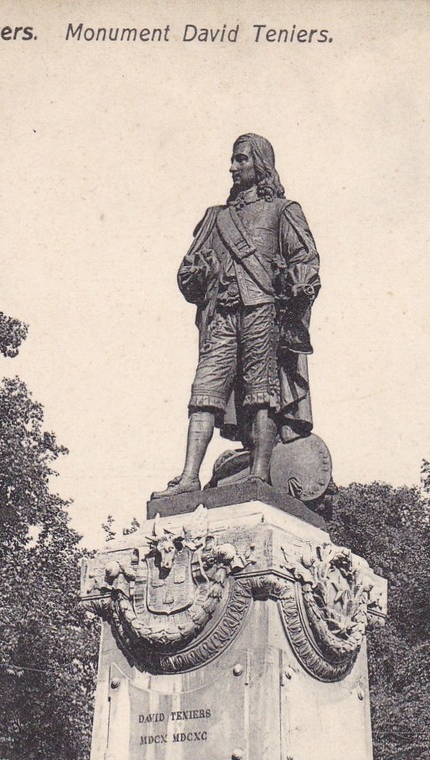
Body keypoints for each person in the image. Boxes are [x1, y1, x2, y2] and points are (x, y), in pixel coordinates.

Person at [153, 133, 320, 497]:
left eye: (241, 159)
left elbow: (305, 261)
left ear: (260, 164)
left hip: (262, 310)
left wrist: (297, 285)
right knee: (204, 393)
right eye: (233, 160)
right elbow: (187, 275)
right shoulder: (216, 218)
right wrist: (197, 274)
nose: (233, 167)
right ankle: (188, 478)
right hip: (222, 316)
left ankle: (258, 473)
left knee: (261, 393)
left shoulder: (283, 211)